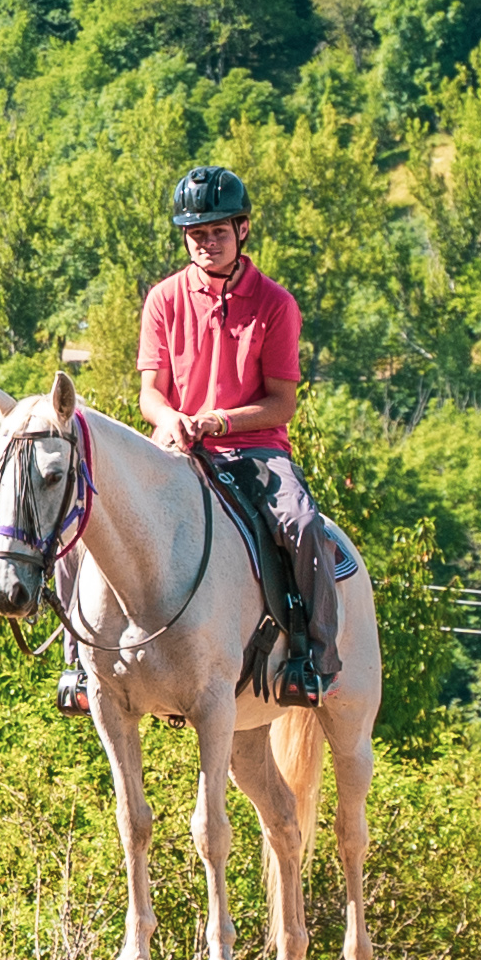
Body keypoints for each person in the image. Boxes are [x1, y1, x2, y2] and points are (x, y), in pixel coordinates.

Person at [139, 161, 332, 702]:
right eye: (196, 234)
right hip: (176, 447)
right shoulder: (163, 299)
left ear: (242, 230)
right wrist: (170, 418)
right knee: (99, 508)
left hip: (254, 451)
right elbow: (149, 394)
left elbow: (281, 404)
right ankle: (82, 663)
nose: (207, 243)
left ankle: (312, 657)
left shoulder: (276, 304)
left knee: (300, 524)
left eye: (218, 232)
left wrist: (218, 420)